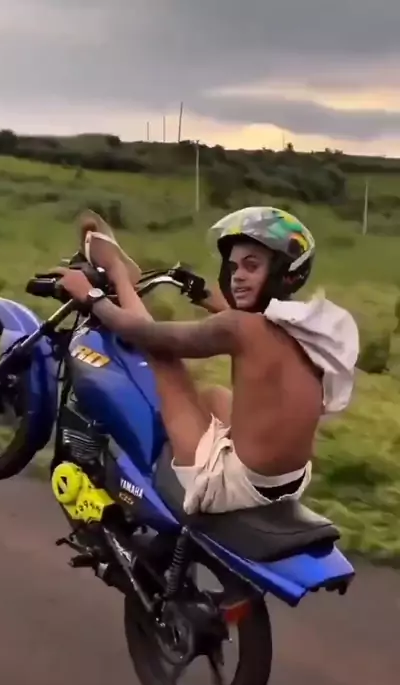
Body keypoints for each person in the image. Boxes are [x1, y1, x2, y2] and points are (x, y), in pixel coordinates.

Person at [54, 206, 359, 515]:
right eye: (233, 268)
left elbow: (147, 335)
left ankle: (118, 269)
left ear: (283, 272)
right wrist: (200, 293)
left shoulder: (239, 328)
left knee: (165, 362)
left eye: (251, 266)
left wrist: (94, 294)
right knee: (214, 397)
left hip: (238, 489)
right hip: (290, 481)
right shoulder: (305, 324)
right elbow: (251, 323)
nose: (238, 276)